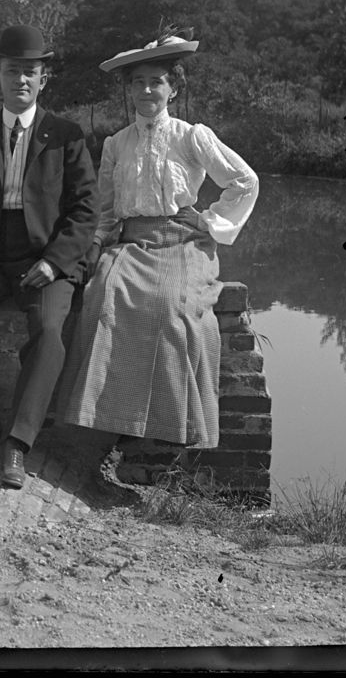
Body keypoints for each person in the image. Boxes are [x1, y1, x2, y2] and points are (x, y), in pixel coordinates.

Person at [60, 28, 259, 454]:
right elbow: (107, 208)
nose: (147, 90)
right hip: (132, 244)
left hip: (183, 243)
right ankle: (109, 424)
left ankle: (170, 430)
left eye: (156, 81)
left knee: (173, 307)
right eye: (138, 82)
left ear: (172, 88)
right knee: (103, 296)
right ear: (129, 90)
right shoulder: (116, 144)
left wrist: (209, 222)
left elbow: (245, 181)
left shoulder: (191, 136)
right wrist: (96, 245)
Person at [0, 24, 98, 489]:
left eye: (30, 73)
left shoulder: (66, 135)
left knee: (49, 330)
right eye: (13, 72)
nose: (21, 81)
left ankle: (15, 443)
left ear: (43, 79)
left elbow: (87, 209)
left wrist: (54, 262)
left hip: (46, 259)